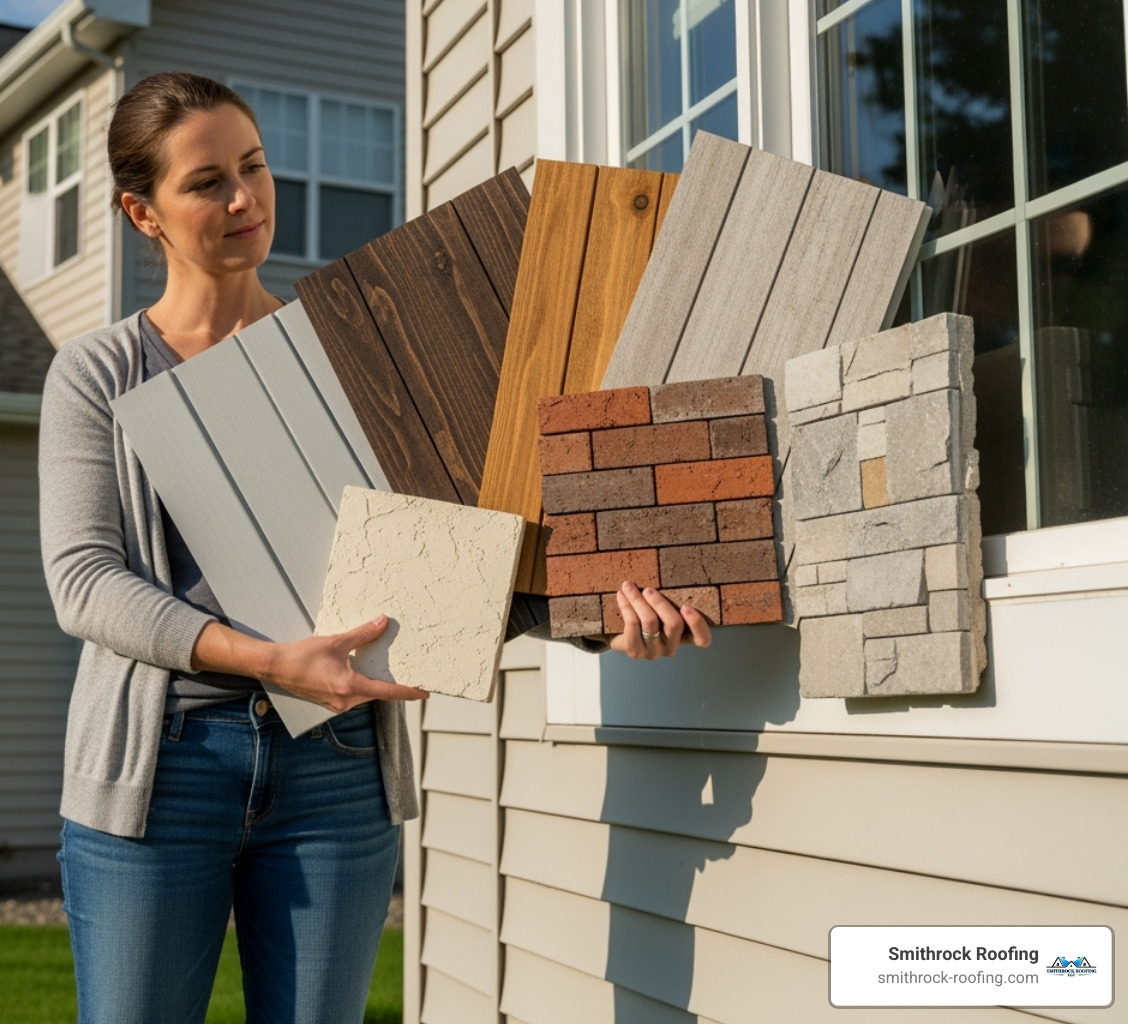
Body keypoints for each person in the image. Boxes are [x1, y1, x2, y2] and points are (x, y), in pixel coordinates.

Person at [37, 71, 711, 1024]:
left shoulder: (353, 348)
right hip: (164, 769)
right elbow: (85, 582)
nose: (245, 198)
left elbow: (458, 554)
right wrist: (268, 661)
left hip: (336, 766)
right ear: (141, 212)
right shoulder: (99, 373)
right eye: (206, 182)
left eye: (254, 167)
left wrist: (604, 610)